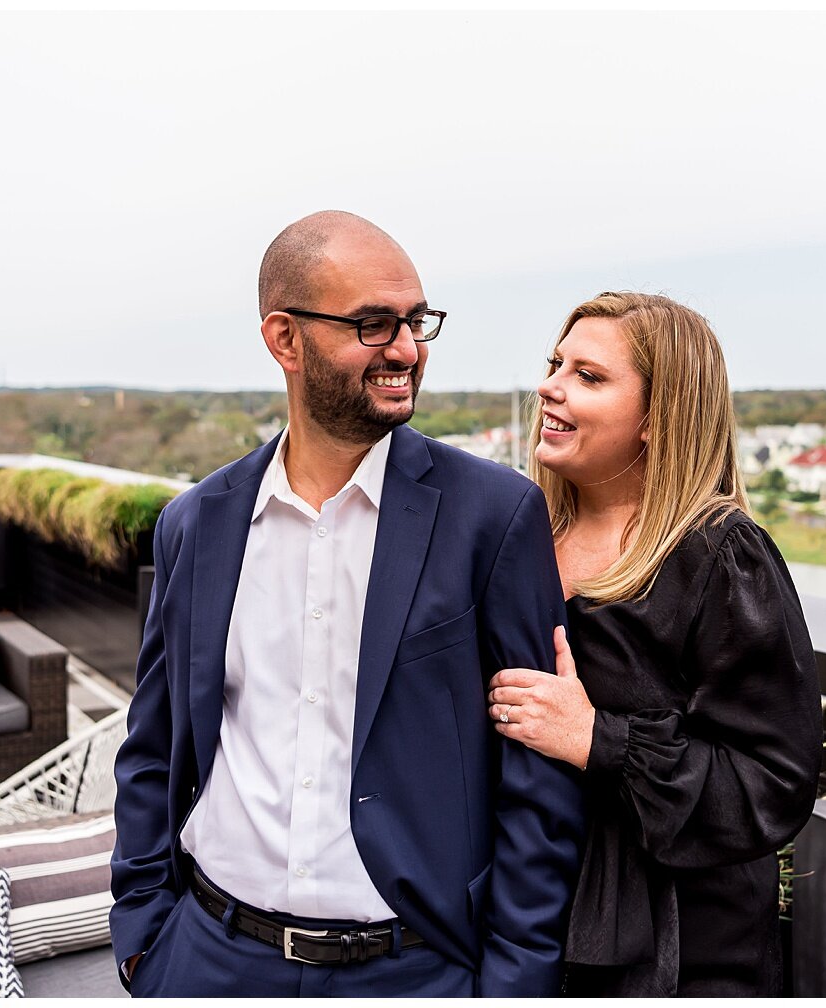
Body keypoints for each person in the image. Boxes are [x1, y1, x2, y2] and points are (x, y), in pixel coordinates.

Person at [110, 211, 585, 998]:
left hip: (414, 970)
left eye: (416, 321)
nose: (406, 349)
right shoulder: (196, 523)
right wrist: (144, 938)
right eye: (373, 325)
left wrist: (509, 985)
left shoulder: (493, 517)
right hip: (208, 958)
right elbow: (155, 746)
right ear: (284, 339)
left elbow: (535, 786)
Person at [486, 291, 822, 996]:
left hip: (675, 963)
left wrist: (596, 739)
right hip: (521, 931)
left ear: (657, 418)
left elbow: (773, 787)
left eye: (589, 376)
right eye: (555, 365)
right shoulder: (516, 539)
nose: (549, 387)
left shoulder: (720, 557)